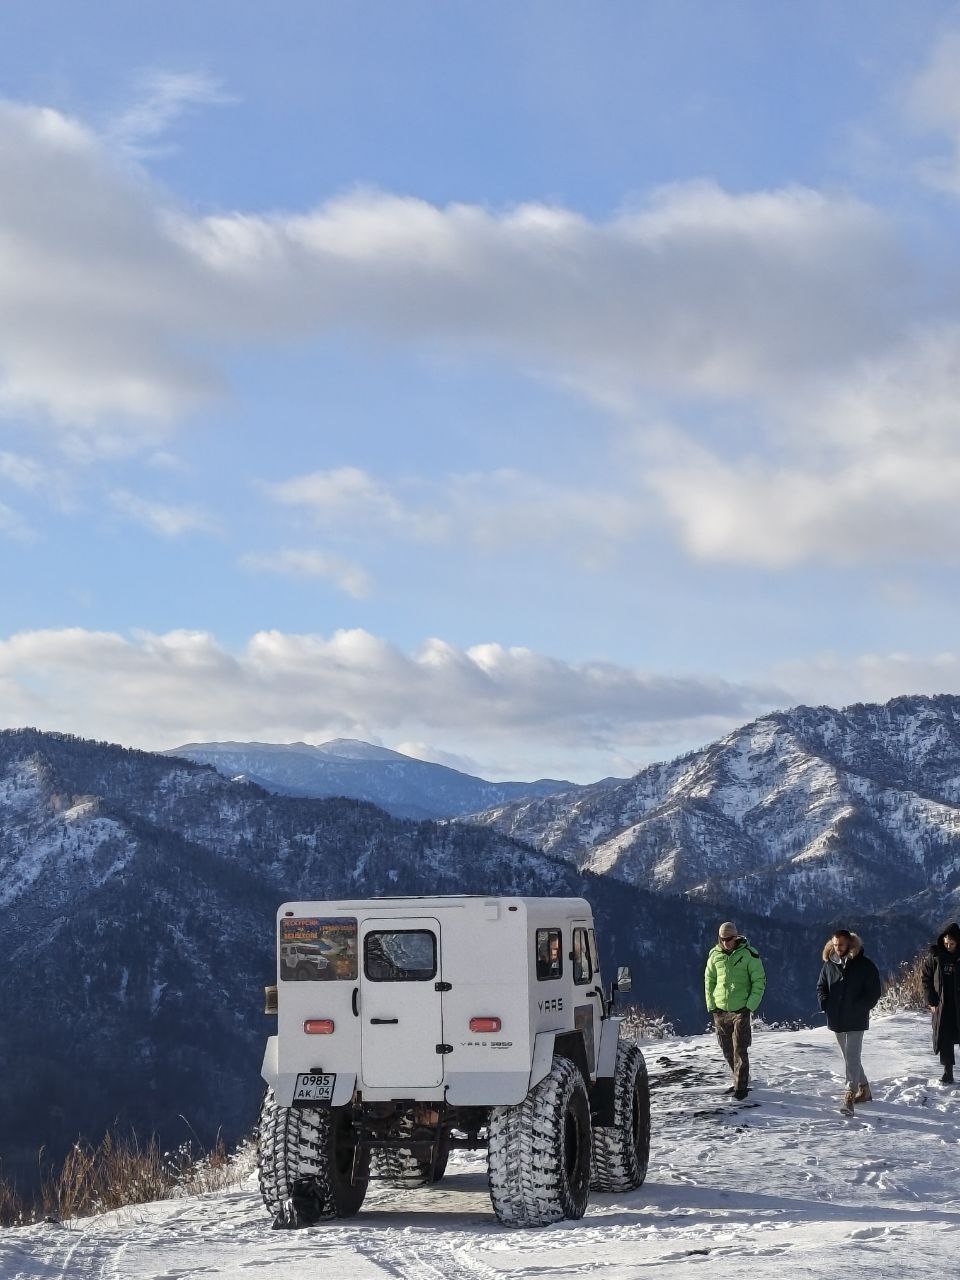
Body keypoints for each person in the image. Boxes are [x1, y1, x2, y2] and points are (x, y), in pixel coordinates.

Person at [817, 929, 882, 1115]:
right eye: (835, 944)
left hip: (856, 1019)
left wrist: (860, 1007)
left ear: (850, 944)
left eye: (841, 945)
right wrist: (825, 1004)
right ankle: (865, 1089)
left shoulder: (864, 965)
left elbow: (874, 991)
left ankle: (849, 1096)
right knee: (849, 1057)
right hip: (836, 1018)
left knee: (852, 1056)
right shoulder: (829, 964)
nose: (837, 948)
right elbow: (821, 986)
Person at [704, 921, 766, 1101]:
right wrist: (712, 1005)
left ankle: (741, 1087)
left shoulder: (749, 954)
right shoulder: (714, 955)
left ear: (736, 937)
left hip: (741, 1010)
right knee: (727, 1049)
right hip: (720, 1010)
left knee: (740, 1048)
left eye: (729, 939)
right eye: (722, 939)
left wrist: (750, 1005)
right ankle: (738, 1077)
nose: (725, 942)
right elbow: (709, 980)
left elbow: (759, 981)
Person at [921, 922, 960, 1085]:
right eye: (946, 943)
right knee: (945, 1038)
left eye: (951, 944)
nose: (948, 946)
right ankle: (947, 1072)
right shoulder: (935, 957)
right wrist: (931, 1000)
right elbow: (926, 978)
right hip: (942, 1004)